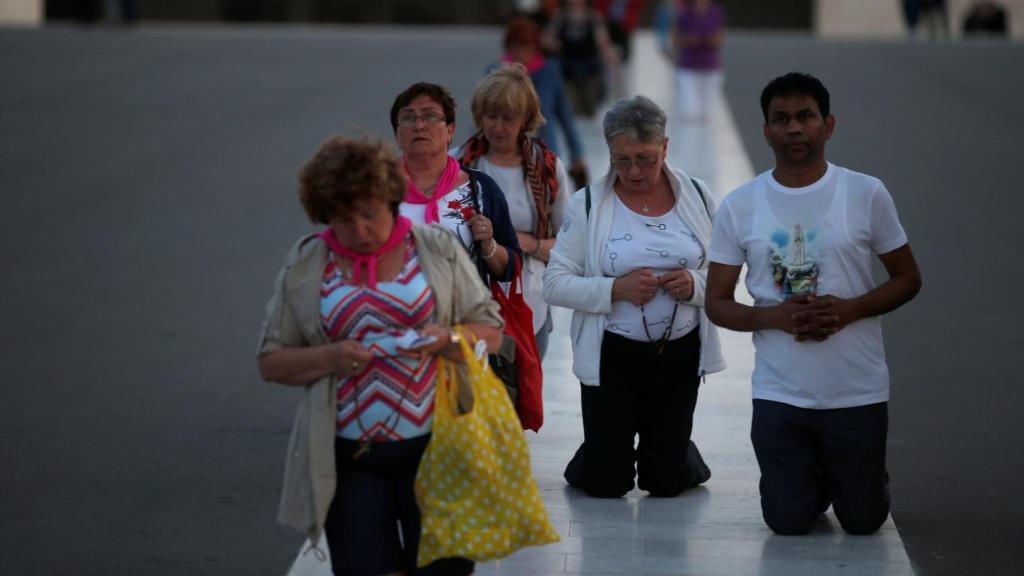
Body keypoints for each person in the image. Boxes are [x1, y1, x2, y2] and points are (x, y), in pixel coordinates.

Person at [256, 136, 504, 575]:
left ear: (391, 200)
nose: (359, 230)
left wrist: (448, 339)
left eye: (369, 213)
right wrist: (331, 357)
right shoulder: (307, 263)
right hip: (352, 456)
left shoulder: (436, 248)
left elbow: (492, 331)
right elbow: (271, 361)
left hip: (440, 446)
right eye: (343, 219)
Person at [705, 72, 922, 535]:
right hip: (780, 394)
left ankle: (850, 478)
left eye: (805, 116)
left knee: (863, 522)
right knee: (787, 522)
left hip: (856, 390)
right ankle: (812, 479)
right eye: (781, 119)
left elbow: (907, 278)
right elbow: (717, 302)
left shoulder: (866, 193)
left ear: (829, 124)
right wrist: (775, 318)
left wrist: (849, 310)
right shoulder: (740, 204)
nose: (794, 128)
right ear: (766, 131)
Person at [543, 95, 726, 498]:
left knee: (665, 484)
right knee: (607, 484)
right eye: (621, 160)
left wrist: (695, 285)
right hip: (612, 356)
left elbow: (727, 273)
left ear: (665, 147)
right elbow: (553, 282)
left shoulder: (697, 196)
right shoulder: (588, 204)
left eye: (645, 158)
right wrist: (614, 289)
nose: (634, 171)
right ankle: (602, 448)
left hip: (678, 355)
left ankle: (674, 449)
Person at [457, 64, 571, 360]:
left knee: (525, 387)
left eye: (508, 118)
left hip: (531, 305)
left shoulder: (549, 169)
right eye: (491, 116)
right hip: (467, 305)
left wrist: (531, 244)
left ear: (526, 120)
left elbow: (572, 246)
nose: (497, 127)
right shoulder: (456, 164)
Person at [390, 82, 523, 287]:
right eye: (408, 118)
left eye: (430, 116)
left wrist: (488, 245)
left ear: (450, 130)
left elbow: (512, 268)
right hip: (397, 305)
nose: (419, 126)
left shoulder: (479, 188)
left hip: (465, 307)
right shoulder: (378, 190)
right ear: (397, 134)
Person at [500, 16, 588, 184]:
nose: (521, 53)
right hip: (503, 156)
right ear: (509, 46)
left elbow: (565, 117)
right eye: (516, 47)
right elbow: (482, 118)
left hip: (544, 155)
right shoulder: (495, 72)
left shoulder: (549, 72)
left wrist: (577, 155)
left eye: (527, 47)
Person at [544, 0, 621, 118]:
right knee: (571, 108)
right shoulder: (560, 17)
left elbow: (603, 43)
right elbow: (546, 39)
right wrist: (552, 44)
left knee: (590, 107)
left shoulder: (593, 18)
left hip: (590, 71)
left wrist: (612, 59)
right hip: (567, 71)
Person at [671, 0, 726, 123]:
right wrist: (688, 40)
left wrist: (712, 40)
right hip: (688, 68)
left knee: (709, 114)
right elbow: (675, 37)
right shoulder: (685, 13)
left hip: (710, 67)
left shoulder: (716, 12)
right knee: (691, 113)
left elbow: (720, 38)